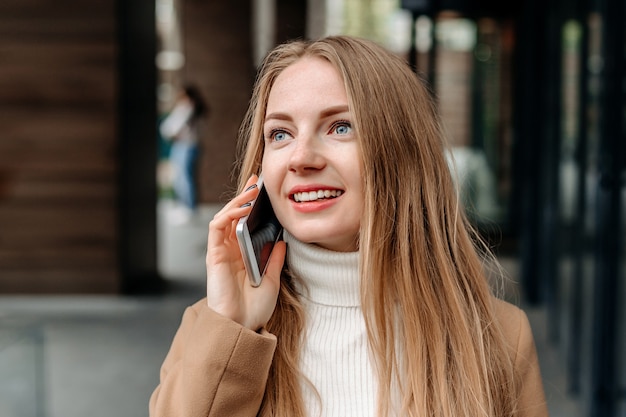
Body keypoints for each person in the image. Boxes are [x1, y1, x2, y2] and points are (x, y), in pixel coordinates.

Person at [149, 36, 548, 417]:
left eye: (340, 127)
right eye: (281, 134)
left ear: (402, 152)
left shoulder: (498, 337)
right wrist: (234, 328)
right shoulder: (213, 328)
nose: (301, 157)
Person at [160, 84, 208, 222]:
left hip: (186, 146)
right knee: (184, 177)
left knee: (184, 178)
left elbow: (171, 128)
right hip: (188, 146)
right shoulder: (195, 109)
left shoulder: (189, 109)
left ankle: (188, 209)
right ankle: (187, 207)